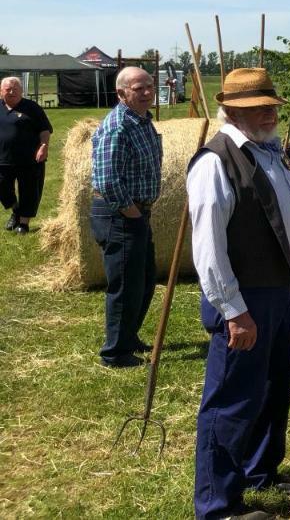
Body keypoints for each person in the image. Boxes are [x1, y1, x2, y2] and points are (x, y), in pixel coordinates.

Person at [187, 67, 290, 520]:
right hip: (244, 297)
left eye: (270, 106)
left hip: (277, 287)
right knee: (231, 400)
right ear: (231, 111)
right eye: (256, 108)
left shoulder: (267, 152)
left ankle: (260, 470)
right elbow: (208, 248)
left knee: (272, 387)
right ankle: (217, 505)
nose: (267, 114)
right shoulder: (215, 161)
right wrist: (233, 312)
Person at [89, 67, 162, 368]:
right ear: (121, 93)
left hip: (136, 213)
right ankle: (115, 353)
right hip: (120, 214)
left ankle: (128, 337)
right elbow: (107, 180)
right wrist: (132, 214)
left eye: (149, 86)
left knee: (144, 279)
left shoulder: (143, 121)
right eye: (138, 88)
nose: (146, 92)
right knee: (125, 285)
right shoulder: (117, 125)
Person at [1, 77, 53, 235]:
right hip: (3, 159)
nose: (12, 91)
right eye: (8, 89)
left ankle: (23, 224)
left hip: (29, 159)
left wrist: (44, 146)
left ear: (22, 91)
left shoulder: (32, 108)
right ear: (1, 91)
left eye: (16, 88)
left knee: (29, 191)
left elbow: (45, 130)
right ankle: (16, 209)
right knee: (2, 188)